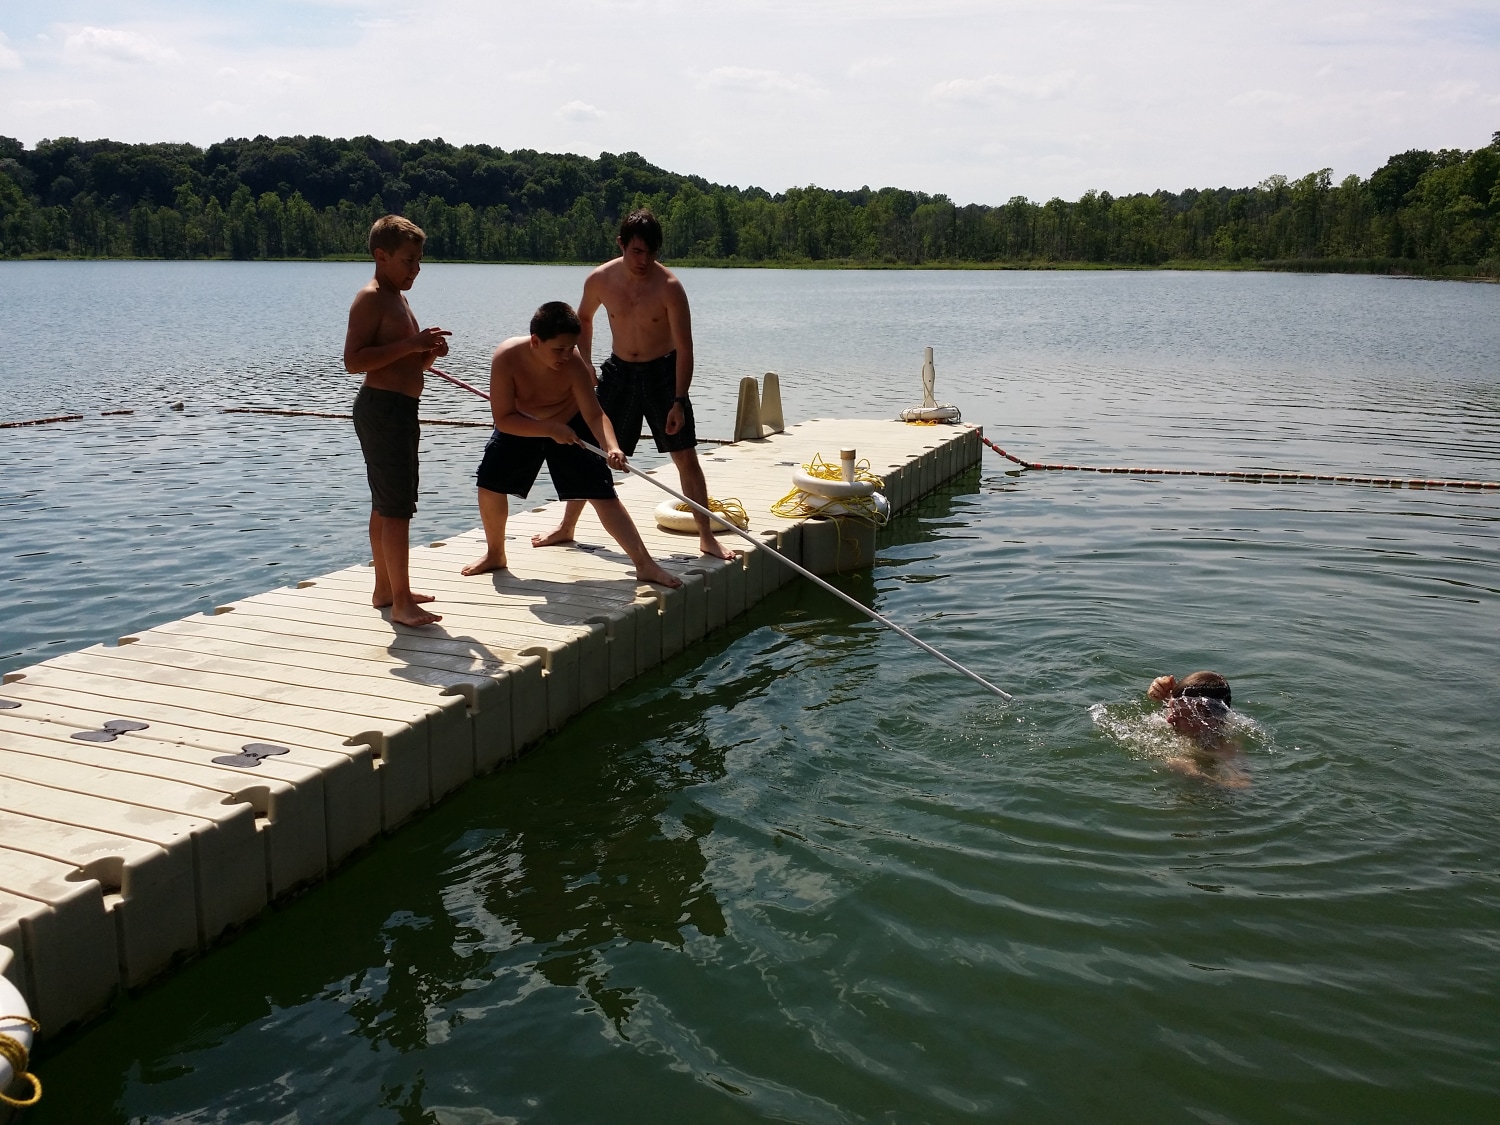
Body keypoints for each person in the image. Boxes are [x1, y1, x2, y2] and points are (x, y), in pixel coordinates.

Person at [532, 209, 736, 561]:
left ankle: (707, 536)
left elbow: (685, 347)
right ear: (621, 244)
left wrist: (679, 399)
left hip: (663, 374)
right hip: (619, 374)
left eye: (651, 253)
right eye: (637, 251)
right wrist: (586, 364)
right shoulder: (600, 279)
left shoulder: (669, 287)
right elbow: (583, 319)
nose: (644, 260)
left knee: (684, 455)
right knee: (594, 452)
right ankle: (567, 527)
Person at [460, 301, 683, 589]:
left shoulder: (574, 363)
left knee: (602, 493)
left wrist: (612, 446)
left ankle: (644, 564)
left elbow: (595, 414)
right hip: (522, 423)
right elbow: (503, 419)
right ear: (536, 341)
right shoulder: (506, 357)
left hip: (570, 422)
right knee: (489, 484)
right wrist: (549, 430)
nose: (567, 355)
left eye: (572, 347)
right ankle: (495, 553)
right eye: (559, 349)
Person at [343, 214, 451, 628]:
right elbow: (354, 361)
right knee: (396, 509)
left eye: (419, 261)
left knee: (386, 504)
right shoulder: (371, 297)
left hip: (399, 408)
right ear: (381, 256)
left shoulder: (397, 298)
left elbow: (406, 363)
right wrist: (411, 343)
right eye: (408, 261)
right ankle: (402, 603)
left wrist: (427, 352)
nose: (416, 269)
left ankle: (386, 589)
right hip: (382, 409)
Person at [1146, 671, 1248, 787]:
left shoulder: (1225, 750)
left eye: (1182, 716)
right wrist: (1158, 689)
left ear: (1211, 720)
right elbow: (1171, 698)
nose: (1169, 719)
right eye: (1172, 709)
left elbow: (1242, 786)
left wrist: (1193, 773)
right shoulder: (1183, 711)